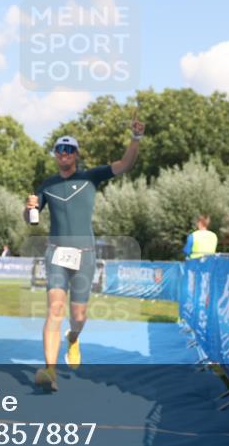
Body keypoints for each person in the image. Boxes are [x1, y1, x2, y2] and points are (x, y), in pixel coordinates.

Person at [24, 118, 145, 392]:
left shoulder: (91, 176)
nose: (64, 154)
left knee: (78, 315)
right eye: (59, 150)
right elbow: (31, 220)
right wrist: (29, 207)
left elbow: (125, 165)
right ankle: (50, 371)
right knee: (54, 309)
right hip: (56, 254)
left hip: (85, 255)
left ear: (76, 155)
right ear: (55, 154)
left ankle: (74, 338)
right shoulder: (47, 184)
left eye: (69, 150)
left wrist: (135, 139)